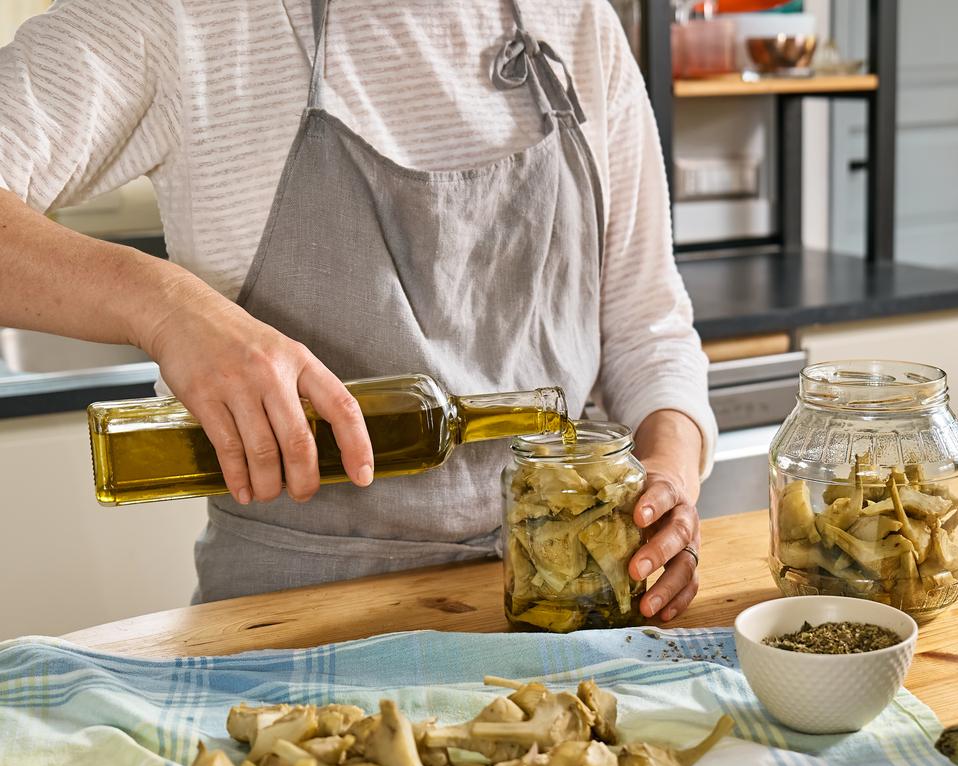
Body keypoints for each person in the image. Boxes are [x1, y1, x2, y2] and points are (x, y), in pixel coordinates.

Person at [0, 0, 715, 619]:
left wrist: (670, 477)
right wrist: (165, 306)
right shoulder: (185, 17)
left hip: (573, 600)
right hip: (288, 626)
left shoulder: (578, 19)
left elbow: (647, 328)